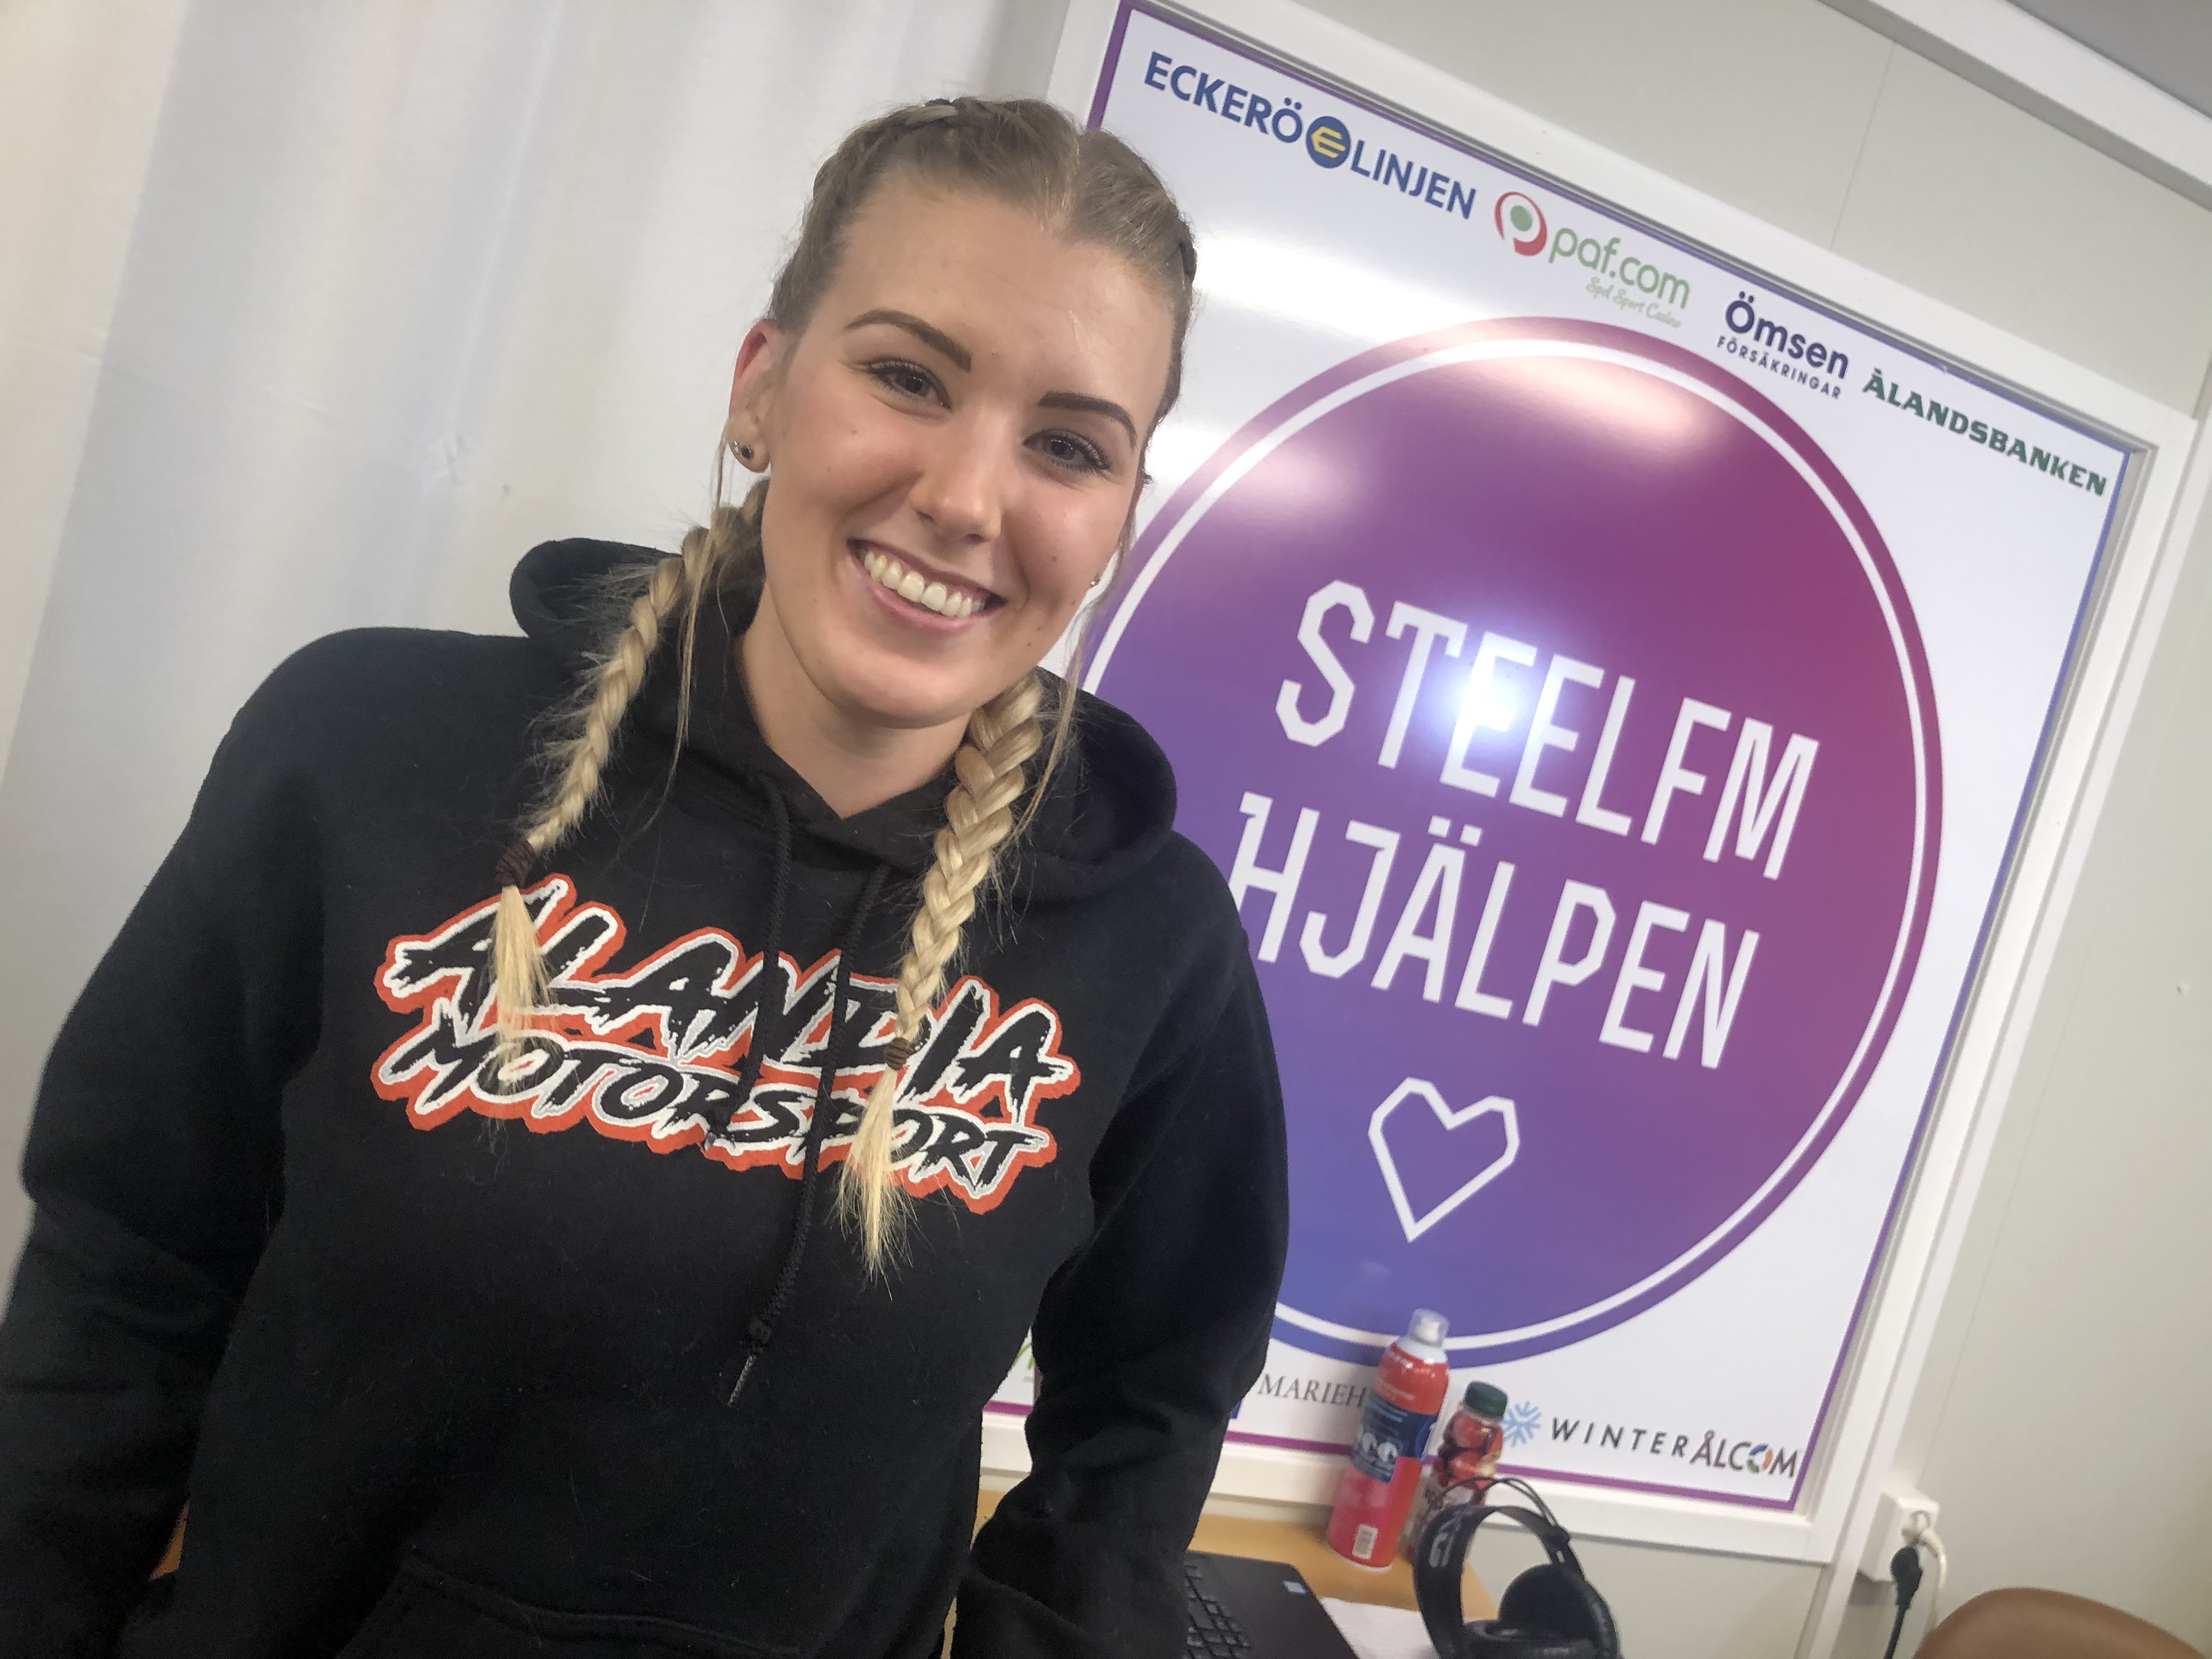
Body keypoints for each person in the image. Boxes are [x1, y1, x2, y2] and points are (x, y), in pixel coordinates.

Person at [0, 97, 1288, 1658]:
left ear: (1121, 518)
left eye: (1067, 446)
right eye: (906, 376)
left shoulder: (1150, 944)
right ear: (762, 385)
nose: (965, 496)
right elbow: (124, 1277)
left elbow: (1155, 1393)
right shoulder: (362, 749)